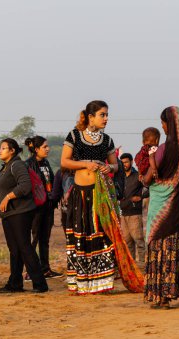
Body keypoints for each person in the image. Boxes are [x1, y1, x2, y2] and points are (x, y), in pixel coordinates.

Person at [61, 100, 143, 294]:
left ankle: (102, 284)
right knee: (83, 235)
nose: (106, 119)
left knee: (102, 235)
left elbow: (116, 165)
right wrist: (85, 164)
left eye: (107, 115)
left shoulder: (107, 140)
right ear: (91, 117)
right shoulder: (74, 135)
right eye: (102, 115)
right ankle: (82, 283)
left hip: (101, 195)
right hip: (81, 195)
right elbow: (64, 162)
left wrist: (109, 167)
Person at [143, 106, 179, 309]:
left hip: (162, 212)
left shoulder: (164, 149)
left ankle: (163, 298)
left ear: (173, 125)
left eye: (164, 123)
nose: (163, 127)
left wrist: (144, 177)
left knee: (163, 252)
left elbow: (149, 180)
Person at [0, 138, 48, 293]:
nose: (0, 150)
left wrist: (8, 197)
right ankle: (15, 283)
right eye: (0, 148)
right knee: (15, 249)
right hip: (9, 214)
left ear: (12, 151)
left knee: (24, 247)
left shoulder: (17, 164)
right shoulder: (5, 167)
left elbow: (25, 186)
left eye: (3, 148)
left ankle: (40, 284)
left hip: (21, 212)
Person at [25, 136, 63, 279]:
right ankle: (31, 271)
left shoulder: (46, 163)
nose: (48, 149)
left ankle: (45, 269)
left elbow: (52, 182)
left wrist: (54, 198)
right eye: (44, 147)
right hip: (35, 209)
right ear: (36, 149)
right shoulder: (28, 164)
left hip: (48, 207)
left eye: (47, 146)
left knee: (44, 239)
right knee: (34, 239)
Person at [120, 153, 148, 262]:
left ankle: (142, 266)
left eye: (126, 162)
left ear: (131, 162)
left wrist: (140, 197)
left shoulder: (138, 176)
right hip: (123, 213)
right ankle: (131, 267)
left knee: (139, 241)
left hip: (135, 213)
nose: (124, 165)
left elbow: (149, 189)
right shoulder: (120, 177)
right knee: (127, 242)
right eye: (122, 163)